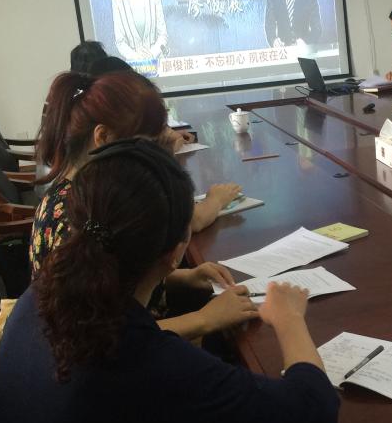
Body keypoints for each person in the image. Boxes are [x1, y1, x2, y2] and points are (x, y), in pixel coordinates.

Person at [0, 138, 339, 423]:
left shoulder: (44, 294)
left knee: (230, 392)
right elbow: (315, 410)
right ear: (175, 250)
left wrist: (182, 283)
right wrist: (289, 319)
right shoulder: (142, 360)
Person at [33, 71, 249, 341]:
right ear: (103, 136)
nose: (153, 157)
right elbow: (101, 336)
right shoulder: (79, 217)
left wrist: (185, 276)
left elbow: (114, 278)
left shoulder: (88, 195)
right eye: (146, 144)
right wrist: (204, 319)